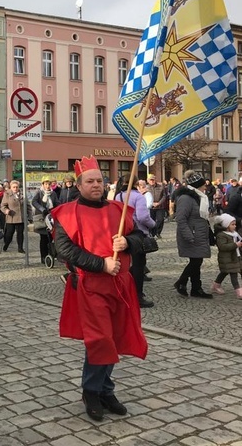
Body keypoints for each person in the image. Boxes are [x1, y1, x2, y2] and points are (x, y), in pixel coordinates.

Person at [54, 155, 147, 422]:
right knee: (100, 339)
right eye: (90, 181)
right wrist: (101, 264)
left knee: (115, 337)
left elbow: (143, 239)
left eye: (99, 180)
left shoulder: (119, 210)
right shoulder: (67, 213)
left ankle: (105, 389)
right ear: (79, 185)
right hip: (90, 286)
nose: (96, 185)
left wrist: (128, 242)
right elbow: (65, 250)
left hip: (121, 285)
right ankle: (92, 391)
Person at [114, 177, 156, 308]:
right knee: (138, 266)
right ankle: (137, 296)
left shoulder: (118, 196)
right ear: (137, 184)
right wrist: (153, 224)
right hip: (137, 232)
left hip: (123, 232)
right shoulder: (138, 197)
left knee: (127, 264)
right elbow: (143, 217)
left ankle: (125, 292)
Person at [174, 170, 213, 299]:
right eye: (203, 185)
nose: (205, 187)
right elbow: (181, 219)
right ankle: (182, 282)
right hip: (192, 234)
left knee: (197, 260)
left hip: (199, 234)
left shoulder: (199, 197)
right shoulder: (186, 198)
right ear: (197, 186)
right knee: (196, 261)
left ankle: (196, 288)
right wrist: (188, 235)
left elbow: (202, 218)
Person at [211, 214, 242, 298]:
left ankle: (215, 285)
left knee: (224, 272)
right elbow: (222, 247)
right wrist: (235, 245)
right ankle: (239, 292)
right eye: (232, 224)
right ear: (226, 225)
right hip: (227, 258)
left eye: (235, 224)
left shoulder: (235, 234)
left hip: (236, 256)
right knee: (233, 273)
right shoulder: (221, 235)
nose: (235, 226)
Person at [32, 177, 59, 264]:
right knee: (43, 238)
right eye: (46, 184)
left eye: (49, 184)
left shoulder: (53, 193)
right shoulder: (39, 193)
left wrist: (58, 209)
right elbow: (34, 202)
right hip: (42, 217)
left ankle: (51, 255)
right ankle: (43, 256)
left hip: (51, 217)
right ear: (43, 185)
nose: (47, 186)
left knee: (51, 237)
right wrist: (42, 209)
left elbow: (57, 203)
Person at [0, 180, 26, 253]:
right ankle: (6, 244)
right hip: (11, 217)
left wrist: (29, 217)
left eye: (17, 187)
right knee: (9, 234)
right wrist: (6, 211)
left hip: (20, 217)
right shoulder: (7, 194)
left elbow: (27, 206)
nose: (15, 188)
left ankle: (20, 248)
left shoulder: (22, 194)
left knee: (20, 234)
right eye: (14, 187)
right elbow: (2, 206)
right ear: (10, 187)